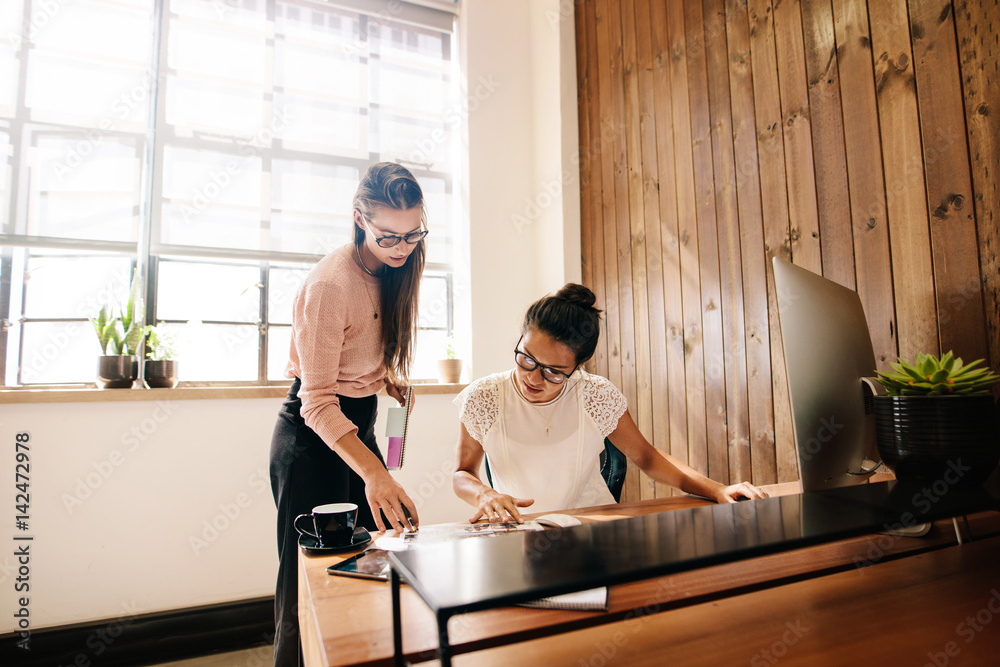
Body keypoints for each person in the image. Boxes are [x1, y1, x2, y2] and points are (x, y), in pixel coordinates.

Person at [269, 162, 427, 667]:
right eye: (389, 236)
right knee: (309, 584)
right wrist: (377, 475)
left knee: (373, 562)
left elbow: (354, 352)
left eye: (414, 234)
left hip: (358, 425)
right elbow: (316, 400)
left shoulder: (397, 268)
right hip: (313, 439)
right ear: (359, 218)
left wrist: (384, 378)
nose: (403, 247)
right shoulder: (330, 285)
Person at [453, 283, 767, 522]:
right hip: (519, 529)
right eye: (527, 359)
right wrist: (484, 494)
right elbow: (462, 473)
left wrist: (717, 490)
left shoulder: (594, 395)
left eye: (553, 372)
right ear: (520, 341)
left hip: (589, 526)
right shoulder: (485, 397)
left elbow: (648, 458)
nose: (534, 378)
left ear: (577, 366)